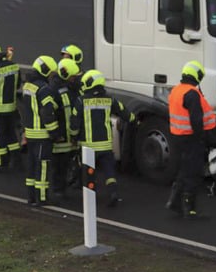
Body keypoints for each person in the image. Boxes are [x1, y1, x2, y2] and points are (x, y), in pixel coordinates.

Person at [70, 69, 136, 207]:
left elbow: (74, 122)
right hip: (105, 144)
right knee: (109, 171)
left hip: (88, 146)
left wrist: (73, 137)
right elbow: (126, 113)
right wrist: (135, 120)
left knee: (88, 171)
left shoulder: (81, 100)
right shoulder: (109, 99)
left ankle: (90, 196)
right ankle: (113, 193)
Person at [166, 60, 216, 219]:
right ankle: (190, 208)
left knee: (184, 170)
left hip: (177, 136)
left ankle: (175, 201)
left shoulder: (176, 90)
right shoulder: (192, 94)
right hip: (191, 138)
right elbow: (196, 120)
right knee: (193, 172)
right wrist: (201, 137)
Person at [18, 56, 60, 206]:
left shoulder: (27, 86)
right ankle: (42, 198)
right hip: (42, 134)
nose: (52, 76)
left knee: (31, 165)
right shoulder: (44, 89)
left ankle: (31, 196)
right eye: (51, 73)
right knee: (42, 166)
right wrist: (54, 132)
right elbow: (47, 113)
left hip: (30, 133)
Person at [49, 58, 80, 202]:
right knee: (58, 166)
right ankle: (58, 190)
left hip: (68, 136)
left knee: (66, 164)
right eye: (73, 77)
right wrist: (55, 134)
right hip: (60, 136)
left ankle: (63, 187)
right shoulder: (54, 91)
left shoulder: (70, 89)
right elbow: (50, 114)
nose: (75, 79)